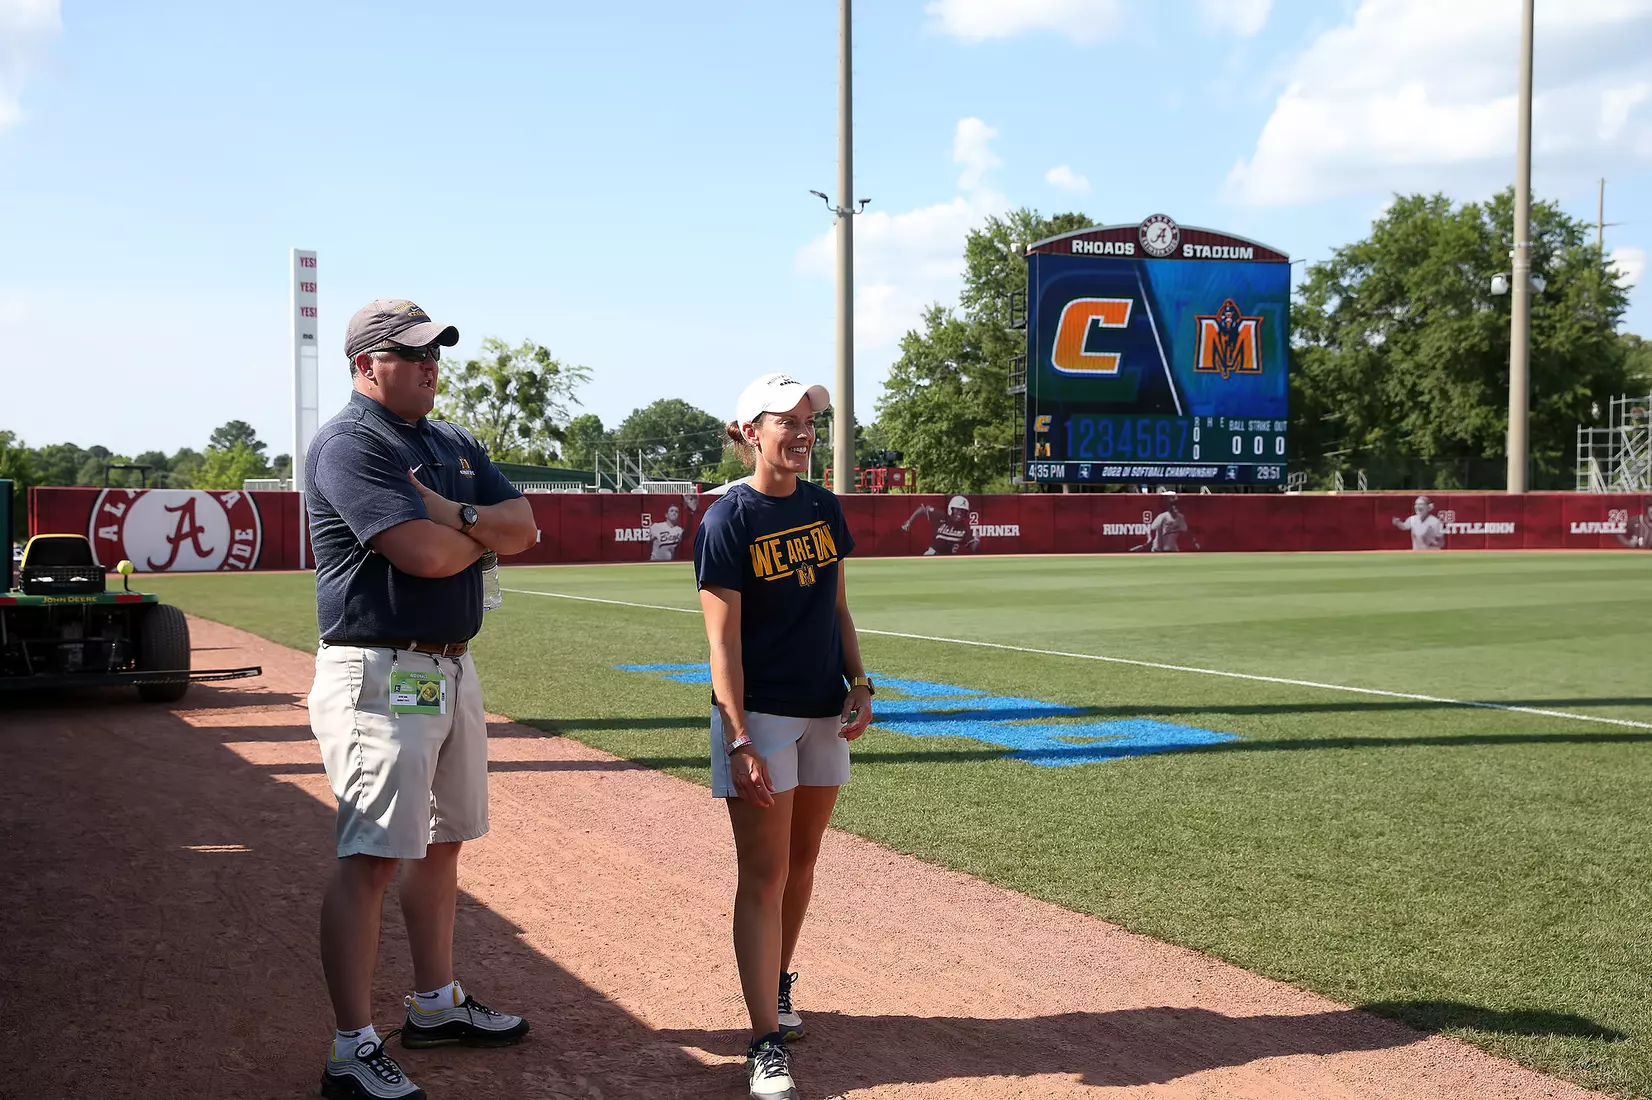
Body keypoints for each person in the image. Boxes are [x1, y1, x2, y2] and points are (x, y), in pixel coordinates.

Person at [305, 299, 540, 1100]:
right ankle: (350, 1046)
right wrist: (473, 528)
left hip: (451, 667)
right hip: (377, 672)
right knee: (371, 857)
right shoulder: (350, 442)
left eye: (435, 350)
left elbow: (526, 526)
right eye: (410, 354)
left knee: (443, 842)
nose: (430, 363)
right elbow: (427, 555)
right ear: (365, 364)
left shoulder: (451, 441)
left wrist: (454, 512)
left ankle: (435, 1006)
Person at [693, 372, 874, 1100]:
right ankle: (764, 1040)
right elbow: (722, 644)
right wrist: (738, 738)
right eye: (787, 421)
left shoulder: (824, 508)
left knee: (803, 864)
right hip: (761, 716)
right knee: (763, 878)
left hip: (822, 710)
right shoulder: (726, 521)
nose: (802, 433)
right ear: (749, 433)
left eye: (809, 422)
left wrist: (861, 684)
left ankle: (778, 982)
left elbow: (837, 609)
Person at [901, 495, 980, 555]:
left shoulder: (964, 528)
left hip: (950, 559)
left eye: (963, 511)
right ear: (951, 509)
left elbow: (974, 548)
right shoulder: (940, 516)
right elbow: (923, 509)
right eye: (957, 510)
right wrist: (909, 522)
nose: (960, 513)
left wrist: (977, 540)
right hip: (933, 554)